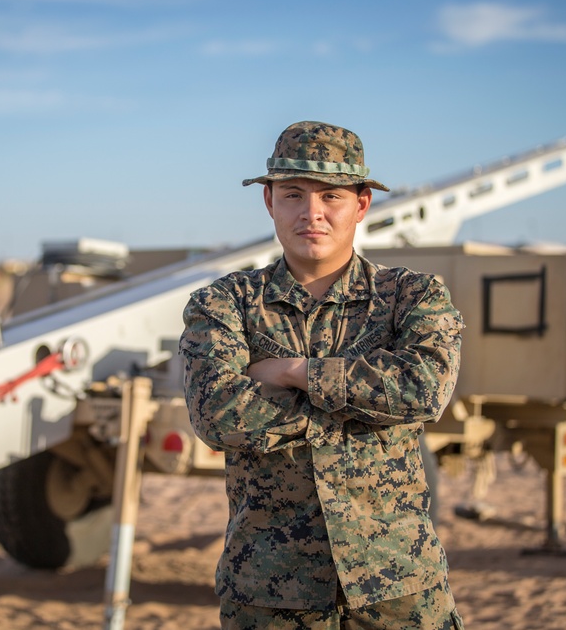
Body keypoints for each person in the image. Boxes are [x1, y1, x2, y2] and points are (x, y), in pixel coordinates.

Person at [179, 120, 465, 629]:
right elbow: (218, 414)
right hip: (270, 590)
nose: (312, 213)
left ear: (361, 205)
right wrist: (363, 408)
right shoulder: (225, 304)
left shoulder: (412, 296)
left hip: (399, 586)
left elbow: (425, 389)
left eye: (331, 195)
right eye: (293, 194)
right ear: (269, 201)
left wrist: (294, 371)